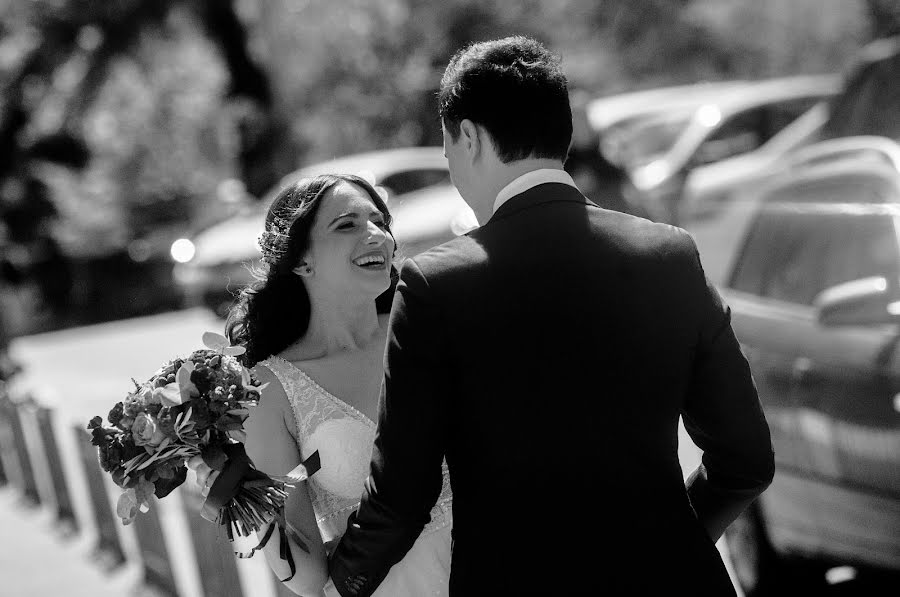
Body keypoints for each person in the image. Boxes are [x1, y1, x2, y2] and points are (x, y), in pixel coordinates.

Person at [328, 36, 775, 596]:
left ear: (468, 137)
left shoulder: (433, 285)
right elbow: (747, 459)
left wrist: (339, 581)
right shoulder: (669, 254)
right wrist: (670, 543)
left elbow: (401, 497)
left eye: (446, 148)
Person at [189, 174, 452, 596]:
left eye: (380, 221)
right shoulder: (271, 389)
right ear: (300, 260)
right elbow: (307, 576)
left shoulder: (430, 327)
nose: (377, 235)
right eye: (347, 224)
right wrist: (248, 495)